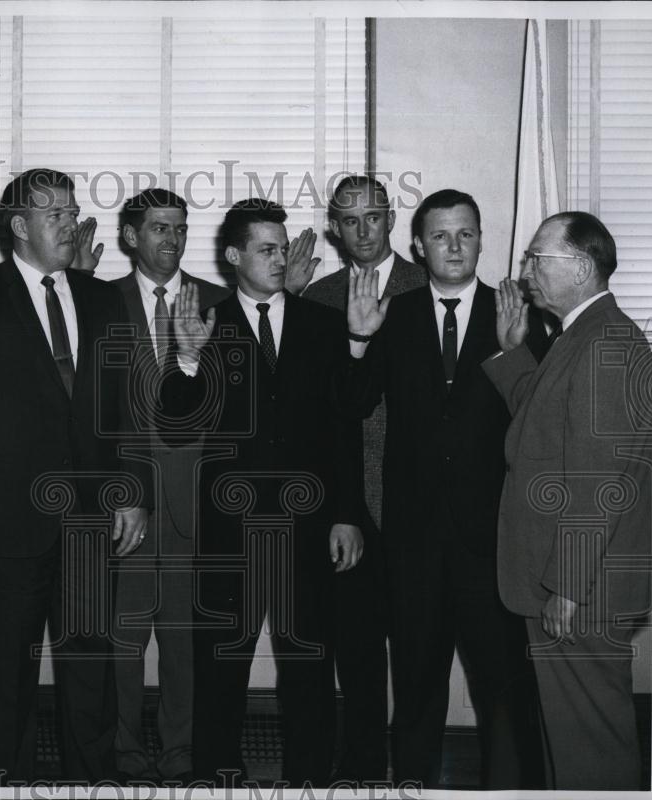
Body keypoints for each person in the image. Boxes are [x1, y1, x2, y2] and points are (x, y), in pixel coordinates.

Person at [0, 168, 151, 783]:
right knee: (5, 674)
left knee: (90, 669)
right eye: (55, 216)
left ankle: (92, 784)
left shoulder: (101, 297)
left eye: (72, 212)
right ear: (19, 226)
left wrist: (133, 493)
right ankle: (3, 785)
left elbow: (124, 407)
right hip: (4, 524)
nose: (71, 224)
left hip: (92, 520)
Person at [160, 198, 363, 786]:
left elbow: (342, 429)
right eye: (267, 249)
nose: (281, 259)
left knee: (308, 668)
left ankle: (309, 783)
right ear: (233, 257)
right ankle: (219, 781)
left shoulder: (324, 324)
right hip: (229, 533)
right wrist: (188, 359)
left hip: (308, 529)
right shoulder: (205, 323)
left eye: (282, 249)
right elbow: (176, 422)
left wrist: (347, 513)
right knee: (220, 670)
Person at [345, 189, 538, 788]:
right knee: (418, 688)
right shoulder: (391, 316)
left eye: (466, 234)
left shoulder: (522, 315)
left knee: (503, 690)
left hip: (492, 543)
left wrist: (517, 352)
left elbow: (537, 425)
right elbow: (350, 406)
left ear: (482, 239)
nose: (454, 247)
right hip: (414, 542)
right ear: (418, 245)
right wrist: (357, 341)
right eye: (440, 236)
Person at [484, 212, 652, 790]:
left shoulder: (608, 339)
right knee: (570, 744)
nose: (526, 270)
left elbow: (598, 480)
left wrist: (568, 586)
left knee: (591, 751)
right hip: (568, 584)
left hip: (580, 590)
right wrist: (511, 353)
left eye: (537, 258)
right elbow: (547, 423)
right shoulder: (582, 336)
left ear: (579, 267)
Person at [286, 175, 425, 782]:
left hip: (421, 496)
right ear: (333, 229)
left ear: (391, 218)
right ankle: (363, 770)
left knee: (421, 646)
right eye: (349, 220)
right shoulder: (317, 298)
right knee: (358, 646)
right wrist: (288, 302)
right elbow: (315, 413)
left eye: (374, 217)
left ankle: (414, 771)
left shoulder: (426, 287)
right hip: (351, 497)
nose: (363, 231)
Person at [110, 188, 229, 782]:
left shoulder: (217, 302)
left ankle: (182, 755)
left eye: (180, 228)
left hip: (193, 506)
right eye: (159, 228)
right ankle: (126, 756)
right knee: (122, 646)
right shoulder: (100, 301)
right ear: (131, 237)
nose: (172, 239)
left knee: (184, 647)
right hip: (126, 507)